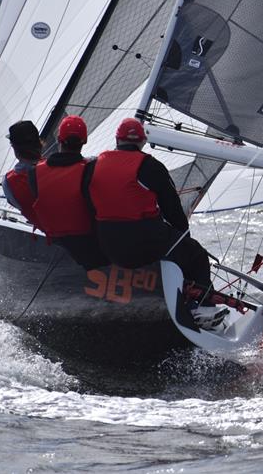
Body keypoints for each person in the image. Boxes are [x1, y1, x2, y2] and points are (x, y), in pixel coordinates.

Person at [86, 118, 225, 329]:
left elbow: (86, 202)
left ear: (116, 139)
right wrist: (183, 240)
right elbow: (173, 211)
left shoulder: (94, 165)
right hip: (145, 246)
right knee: (196, 254)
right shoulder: (151, 166)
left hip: (105, 244)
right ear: (142, 141)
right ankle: (203, 308)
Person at [29, 115, 109, 270]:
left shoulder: (34, 172)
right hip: (87, 242)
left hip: (53, 239)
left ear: (59, 139)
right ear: (84, 141)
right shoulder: (91, 169)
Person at [2, 120, 43, 229]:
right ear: (39, 142)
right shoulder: (56, 168)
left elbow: (17, 204)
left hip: (47, 234)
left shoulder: (8, 182)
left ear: (14, 148)